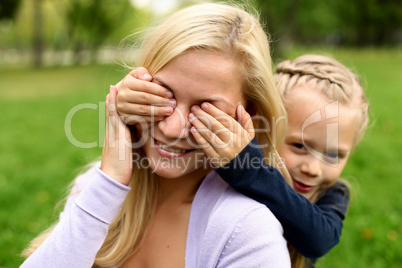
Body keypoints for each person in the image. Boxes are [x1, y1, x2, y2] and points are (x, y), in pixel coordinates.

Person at [21, 3, 292, 267]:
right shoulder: (96, 185)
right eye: (163, 95)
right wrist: (109, 181)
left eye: (204, 108)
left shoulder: (246, 231)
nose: (172, 128)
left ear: (250, 114)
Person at [116, 54, 369, 268]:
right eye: (299, 146)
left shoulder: (334, 193)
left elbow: (318, 240)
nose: (313, 169)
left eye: (334, 155)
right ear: (260, 129)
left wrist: (250, 171)